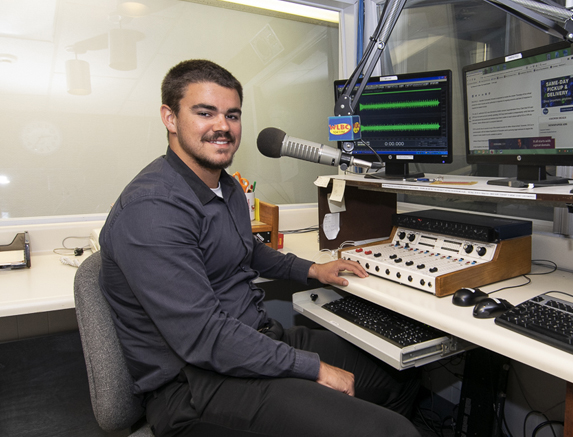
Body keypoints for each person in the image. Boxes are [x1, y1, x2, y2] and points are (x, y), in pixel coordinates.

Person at [99, 59, 421, 437]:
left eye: (232, 115)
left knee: (399, 377)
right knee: (391, 431)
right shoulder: (151, 210)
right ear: (170, 118)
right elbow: (205, 337)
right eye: (205, 113)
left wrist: (312, 270)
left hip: (254, 340)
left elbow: (246, 250)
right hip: (194, 385)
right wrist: (313, 369)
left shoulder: (226, 187)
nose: (223, 126)